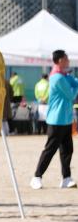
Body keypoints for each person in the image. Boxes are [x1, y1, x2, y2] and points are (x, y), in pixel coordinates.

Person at [31, 50, 78, 189]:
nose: (68, 60)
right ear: (59, 61)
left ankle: (66, 178)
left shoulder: (64, 75)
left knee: (67, 150)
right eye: (66, 58)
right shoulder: (57, 77)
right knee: (50, 150)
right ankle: (37, 177)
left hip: (65, 119)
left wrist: (74, 84)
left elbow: (74, 82)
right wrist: (75, 87)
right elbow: (71, 95)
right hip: (56, 119)